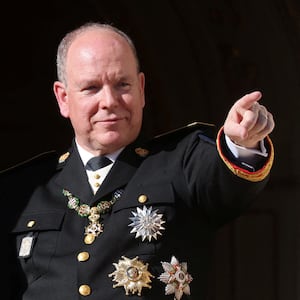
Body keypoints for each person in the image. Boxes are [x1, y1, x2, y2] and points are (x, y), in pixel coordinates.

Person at [2, 22, 274, 300]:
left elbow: (224, 180)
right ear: (63, 98)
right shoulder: (22, 189)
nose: (109, 101)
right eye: (91, 88)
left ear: (141, 88)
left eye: (122, 84)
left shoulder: (181, 162)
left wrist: (241, 143)